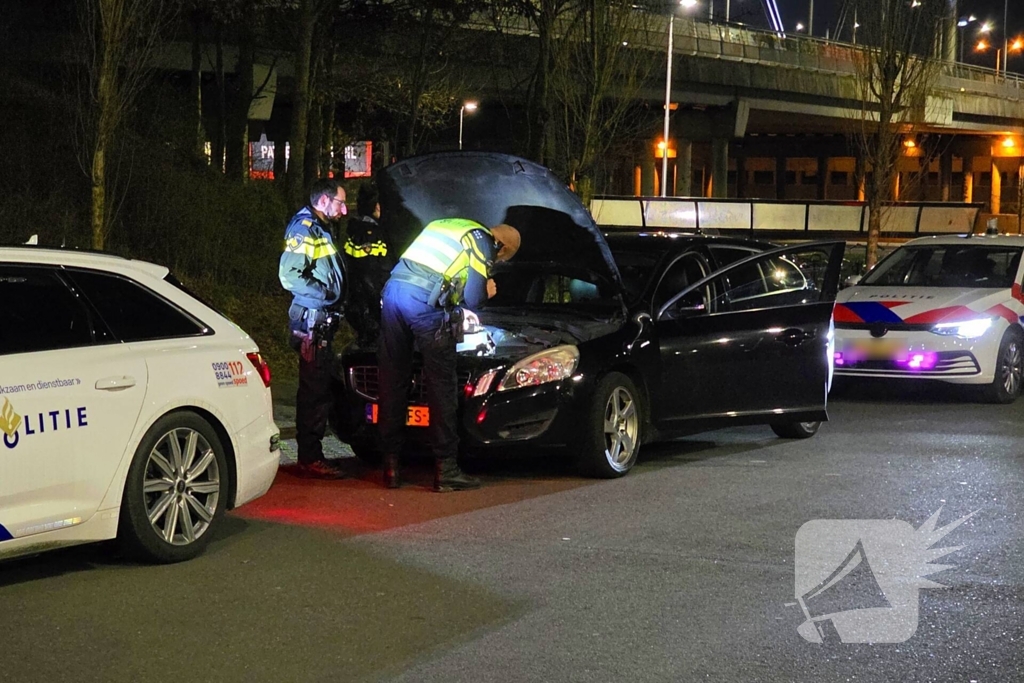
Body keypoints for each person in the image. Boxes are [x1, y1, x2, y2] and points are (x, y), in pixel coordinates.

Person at [378, 218, 521, 491]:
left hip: (394, 294)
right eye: (500, 260)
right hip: (424, 306)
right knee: (441, 386)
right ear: (501, 247)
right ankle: (447, 470)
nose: (495, 263)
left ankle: (391, 467)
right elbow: (475, 298)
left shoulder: (446, 224)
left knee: (392, 379)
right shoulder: (482, 241)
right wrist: (487, 290)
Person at [279, 178, 348, 479]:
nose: (344, 210)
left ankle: (312, 453)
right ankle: (309, 458)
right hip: (312, 322)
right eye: (340, 203)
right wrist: (326, 294)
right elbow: (289, 275)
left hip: (319, 320)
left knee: (321, 386)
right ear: (323, 201)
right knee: (313, 391)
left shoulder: (321, 228)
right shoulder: (304, 228)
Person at [342, 182, 394, 348]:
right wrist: (377, 306)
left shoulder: (358, 231)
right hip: (370, 309)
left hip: (361, 306)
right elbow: (369, 275)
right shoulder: (370, 235)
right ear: (377, 206)